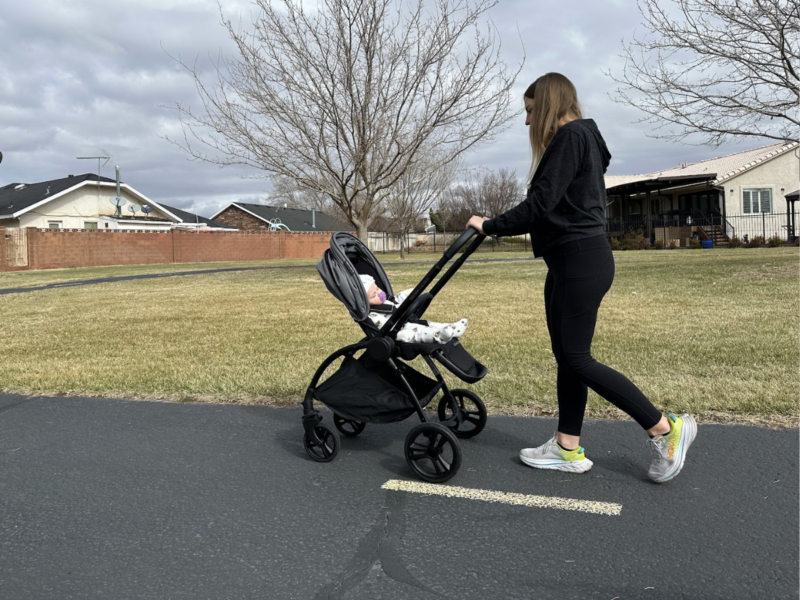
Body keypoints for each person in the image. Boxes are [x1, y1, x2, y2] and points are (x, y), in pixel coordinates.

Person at [466, 72, 697, 483]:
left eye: (530, 111)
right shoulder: (583, 140)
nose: (526, 122)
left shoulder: (571, 138)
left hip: (579, 259)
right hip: (570, 260)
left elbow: (540, 204)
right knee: (567, 357)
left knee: (577, 357)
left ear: (550, 104)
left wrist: (490, 225)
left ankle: (665, 428)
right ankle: (566, 446)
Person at [359, 274, 468, 344]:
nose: (379, 293)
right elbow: (383, 327)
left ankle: (452, 329)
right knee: (419, 332)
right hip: (399, 331)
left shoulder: (385, 301)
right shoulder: (373, 315)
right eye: (374, 295)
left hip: (406, 321)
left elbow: (397, 302)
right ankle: (439, 336)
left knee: (428, 324)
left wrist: (408, 294)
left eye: (377, 289)